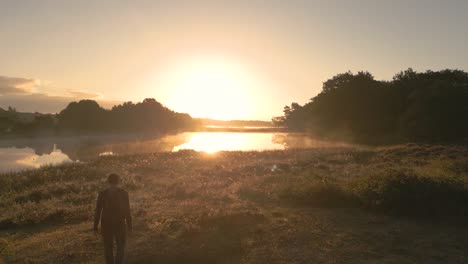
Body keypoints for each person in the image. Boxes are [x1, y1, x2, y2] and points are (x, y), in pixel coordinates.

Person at [94, 173, 132, 264]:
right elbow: (127, 211)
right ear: (118, 181)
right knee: (120, 247)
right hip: (120, 223)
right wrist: (130, 225)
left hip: (106, 224)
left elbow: (98, 211)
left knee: (108, 247)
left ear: (108, 181)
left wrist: (95, 226)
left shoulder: (102, 194)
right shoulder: (124, 193)